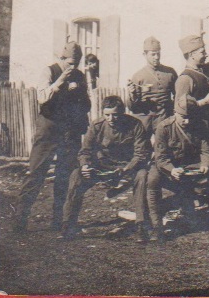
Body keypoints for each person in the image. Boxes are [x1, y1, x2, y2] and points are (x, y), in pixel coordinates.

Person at [12, 42, 91, 233]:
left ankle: (60, 220)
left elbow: (87, 104)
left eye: (77, 63)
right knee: (36, 172)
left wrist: (78, 93)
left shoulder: (80, 76)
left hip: (69, 130)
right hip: (49, 128)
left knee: (65, 175)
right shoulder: (49, 71)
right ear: (61, 59)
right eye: (70, 63)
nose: (73, 67)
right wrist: (60, 82)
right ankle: (20, 217)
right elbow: (42, 97)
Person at [60, 96, 151, 242]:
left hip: (127, 168)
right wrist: (85, 166)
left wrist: (126, 169)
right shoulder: (97, 125)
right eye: (107, 114)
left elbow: (141, 154)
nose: (111, 119)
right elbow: (85, 151)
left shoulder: (135, 125)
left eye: (115, 114)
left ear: (122, 112)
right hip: (102, 168)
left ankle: (141, 225)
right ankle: (68, 225)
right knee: (76, 175)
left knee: (142, 175)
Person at [146, 96, 209, 241]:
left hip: (191, 166)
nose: (187, 121)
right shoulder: (163, 128)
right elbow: (161, 157)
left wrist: (205, 164)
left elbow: (207, 150)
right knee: (152, 179)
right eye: (183, 117)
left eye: (190, 117)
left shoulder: (201, 125)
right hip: (168, 166)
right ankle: (157, 226)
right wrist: (171, 170)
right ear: (175, 113)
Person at [128, 36, 178, 137]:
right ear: (145, 55)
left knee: (166, 148)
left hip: (165, 116)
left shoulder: (170, 73)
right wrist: (132, 95)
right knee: (143, 149)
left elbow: (178, 95)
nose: (156, 57)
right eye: (153, 54)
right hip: (145, 119)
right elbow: (132, 107)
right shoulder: (138, 76)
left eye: (158, 53)